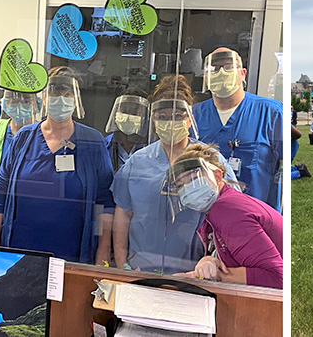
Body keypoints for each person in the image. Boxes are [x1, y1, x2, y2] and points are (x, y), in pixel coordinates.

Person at [0, 67, 114, 265]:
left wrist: (103, 249)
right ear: (44, 97)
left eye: (67, 92)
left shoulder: (92, 142)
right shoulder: (23, 138)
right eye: (54, 91)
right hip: (20, 249)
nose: (60, 98)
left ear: (76, 99)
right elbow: (0, 189)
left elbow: (104, 201)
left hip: (71, 254)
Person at [112, 75, 238, 274]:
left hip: (195, 272)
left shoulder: (210, 162)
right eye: (162, 116)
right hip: (140, 269)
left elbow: (232, 213)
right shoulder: (137, 162)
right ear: (153, 120)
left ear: (190, 119)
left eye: (178, 115)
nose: (170, 122)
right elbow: (123, 213)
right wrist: (121, 264)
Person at [170, 144, 282, 289]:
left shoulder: (227, 210)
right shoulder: (221, 209)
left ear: (217, 176)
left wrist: (217, 276)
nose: (188, 189)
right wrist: (206, 264)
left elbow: (277, 279)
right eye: (180, 186)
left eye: (193, 179)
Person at [193, 48, 282, 211]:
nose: (220, 73)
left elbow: (285, 165)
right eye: (213, 69)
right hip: (205, 220)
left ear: (242, 73)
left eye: (228, 67)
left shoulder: (271, 113)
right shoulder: (193, 116)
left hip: (255, 218)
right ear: (205, 77)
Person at [0, 90, 42, 240]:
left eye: (26, 100)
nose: (18, 103)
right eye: (12, 98)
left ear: (37, 105)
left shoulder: (43, 137)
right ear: (4, 102)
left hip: (28, 222)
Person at [104, 89, 150, 173]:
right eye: (124, 110)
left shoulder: (151, 149)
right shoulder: (103, 146)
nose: (128, 116)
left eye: (134, 111)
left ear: (145, 116)